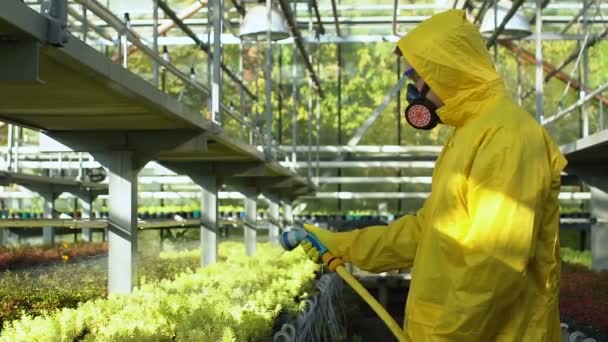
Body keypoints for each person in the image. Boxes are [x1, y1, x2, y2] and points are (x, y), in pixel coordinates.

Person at [301, 9, 567, 342]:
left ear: (446, 70)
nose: (412, 92)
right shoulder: (469, 133)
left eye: (415, 79)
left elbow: (495, 265)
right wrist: (343, 245)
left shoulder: (507, 136)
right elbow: (426, 231)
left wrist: (447, 338)